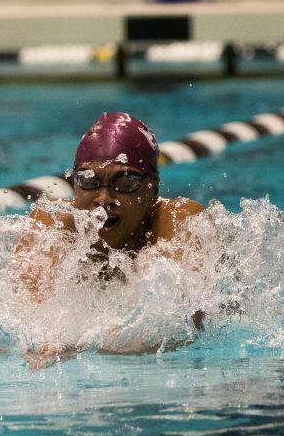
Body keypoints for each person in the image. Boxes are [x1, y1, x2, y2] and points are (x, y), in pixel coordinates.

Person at [15, 112, 206, 367]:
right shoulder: (54, 224)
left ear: (153, 189)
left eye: (125, 182)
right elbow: (22, 315)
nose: (103, 199)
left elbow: (179, 328)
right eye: (89, 181)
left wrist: (82, 344)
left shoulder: (178, 222)